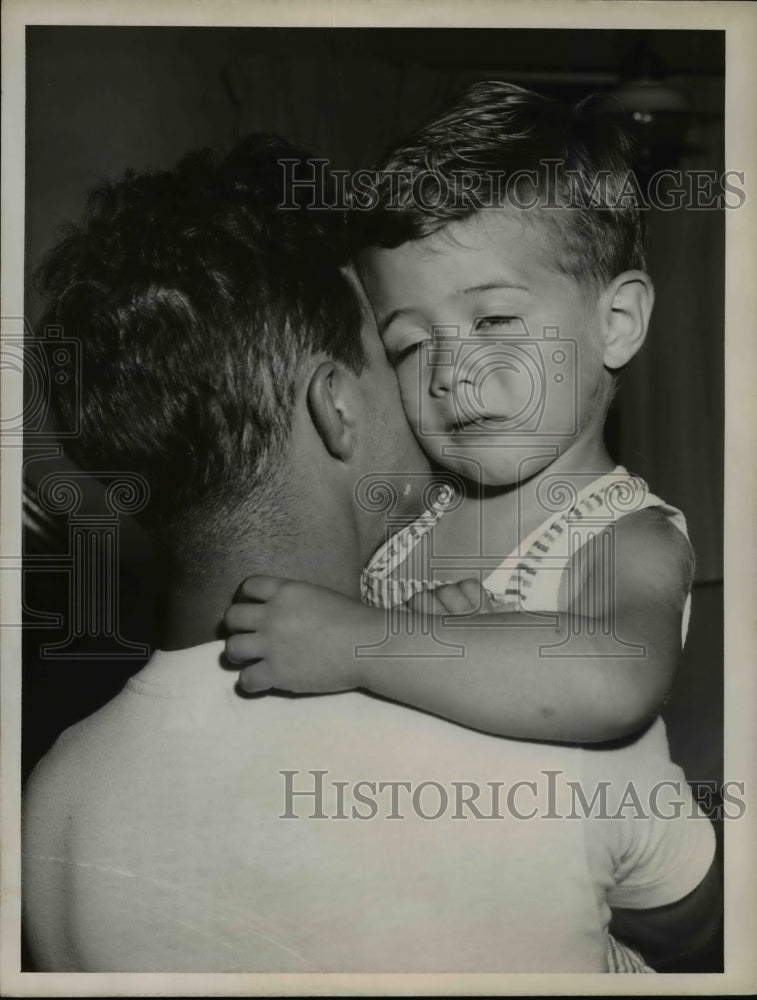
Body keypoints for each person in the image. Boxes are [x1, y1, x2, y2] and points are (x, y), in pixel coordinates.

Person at [23, 133, 719, 974]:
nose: (447, 379)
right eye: (397, 349)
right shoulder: (542, 738)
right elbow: (692, 928)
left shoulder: (50, 804)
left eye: (492, 319)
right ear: (337, 407)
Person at [225, 83, 694, 750]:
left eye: (494, 319)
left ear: (614, 323)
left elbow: (612, 682)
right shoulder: (402, 520)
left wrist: (364, 642)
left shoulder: (625, 535)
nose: (450, 373)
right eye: (410, 345)